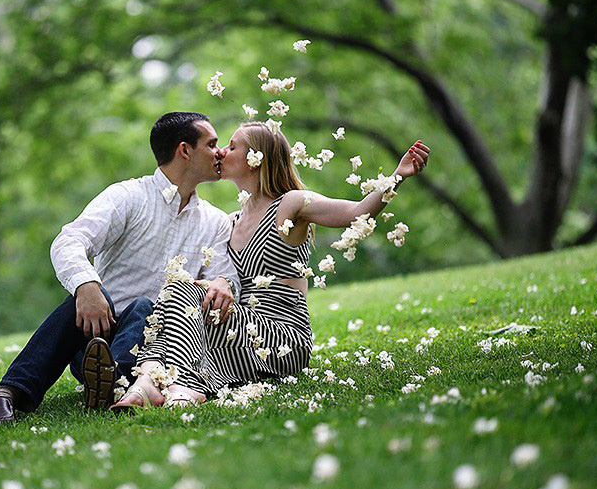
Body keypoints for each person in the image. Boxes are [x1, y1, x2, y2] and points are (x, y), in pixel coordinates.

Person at [111, 121, 430, 409]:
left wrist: (398, 176)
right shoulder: (231, 221)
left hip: (281, 339)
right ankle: (149, 381)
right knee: (177, 290)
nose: (222, 152)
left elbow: (355, 213)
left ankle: (180, 386)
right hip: (239, 331)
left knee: (183, 291)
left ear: (257, 158)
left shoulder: (289, 204)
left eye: (232, 146)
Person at [0, 112, 241, 423]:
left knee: (144, 306)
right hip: (97, 340)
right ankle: (10, 393)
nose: (220, 152)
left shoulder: (214, 222)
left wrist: (223, 282)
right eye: (211, 144)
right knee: (80, 299)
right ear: (184, 150)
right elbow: (69, 240)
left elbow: (226, 276)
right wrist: (86, 286)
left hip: (162, 351)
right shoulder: (129, 196)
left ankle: (112, 385)